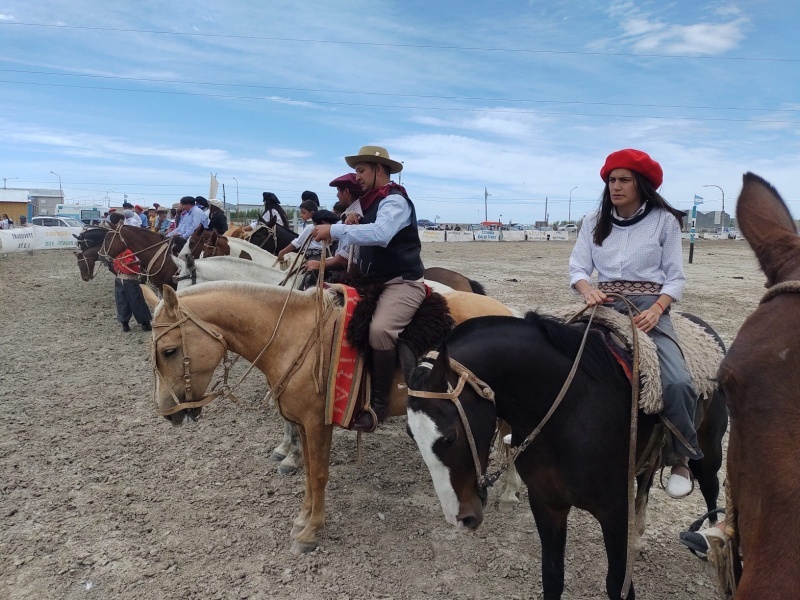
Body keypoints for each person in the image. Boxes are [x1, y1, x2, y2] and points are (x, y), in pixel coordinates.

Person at [569, 148, 701, 499]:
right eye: (611, 179)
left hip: (648, 307)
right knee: (550, 352)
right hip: (604, 303)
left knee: (676, 379)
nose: (616, 185)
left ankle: (681, 456)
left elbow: (675, 278)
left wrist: (659, 309)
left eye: (624, 179)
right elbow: (578, 268)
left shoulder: (664, 221)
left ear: (641, 184)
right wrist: (587, 290)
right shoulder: (594, 219)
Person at [312, 146, 425, 432]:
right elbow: (369, 228)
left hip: (402, 282)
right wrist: (353, 220)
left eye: (361, 170)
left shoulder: (395, 201)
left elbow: (381, 234)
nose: (357, 176)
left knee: (379, 331)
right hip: (372, 279)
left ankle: (379, 406)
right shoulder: (370, 201)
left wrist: (335, 229)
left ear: (379, 170)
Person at [306, 172, 364, 275]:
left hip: (348, 274)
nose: (337, 195)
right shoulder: (353, 213)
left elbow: (345, 258)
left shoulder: (355, 216)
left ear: (346, 192)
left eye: (338, 191)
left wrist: (320, 264)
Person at [107, 213, 152, 332]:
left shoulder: (114, 242)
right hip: (130, 278)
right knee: (136, 300)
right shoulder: (128, 249)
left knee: (122, 301)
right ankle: (145, 323)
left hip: (119, 277)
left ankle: (125, 323)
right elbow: (130, 263)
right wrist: (142, 261)